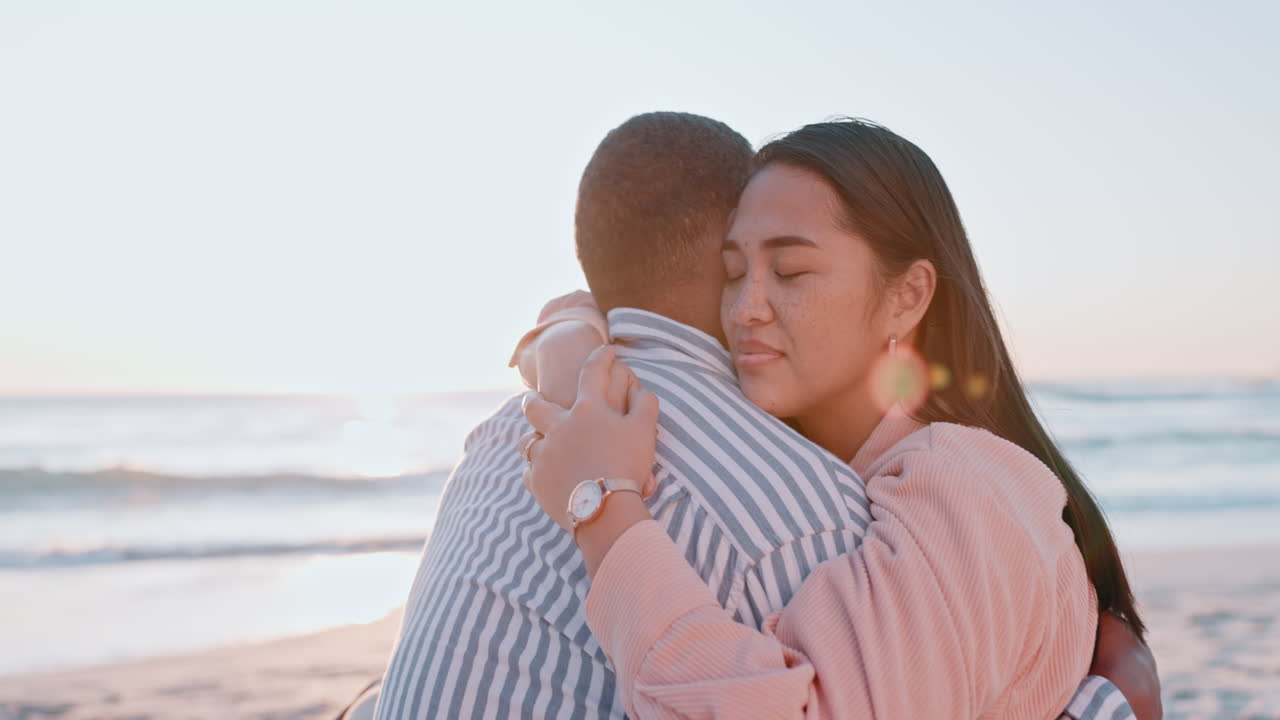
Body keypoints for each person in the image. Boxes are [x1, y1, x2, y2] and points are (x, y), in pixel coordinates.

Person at [365, 113, 1154, 719]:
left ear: (907, 295)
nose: (746, 308)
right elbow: (614, 302)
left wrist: (603, 504)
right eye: (733, 270)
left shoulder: (970, 481)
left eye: (792, 270)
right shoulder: (832, 476)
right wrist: (572, 350)